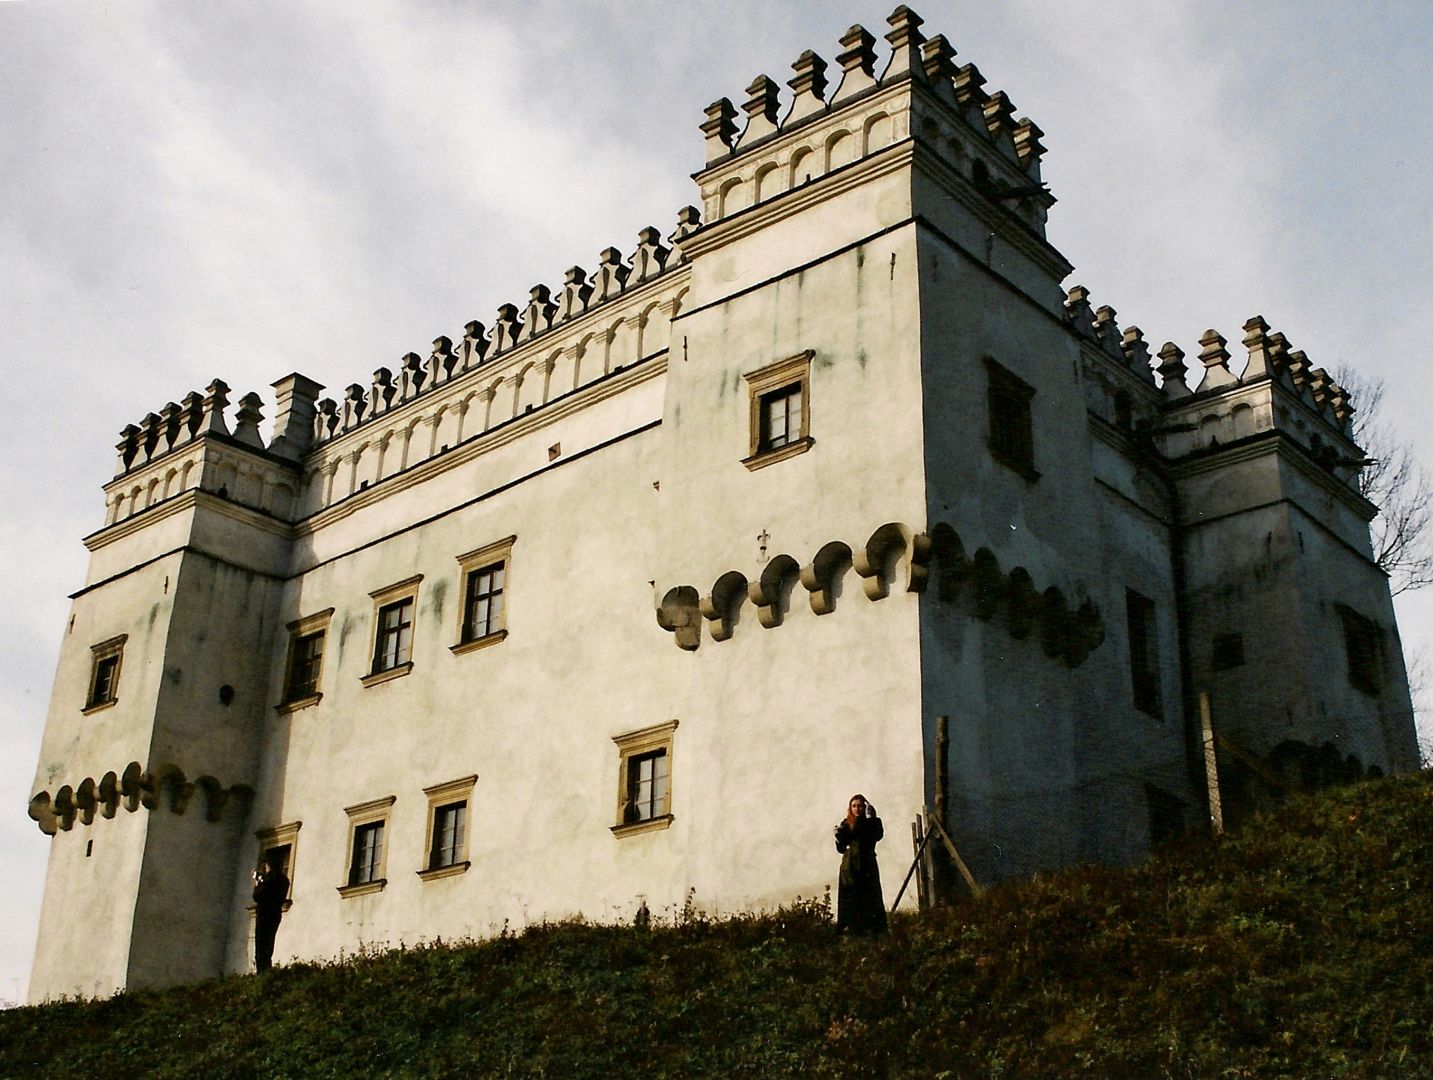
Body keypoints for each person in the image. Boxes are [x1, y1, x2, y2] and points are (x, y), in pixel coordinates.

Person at [833, 793, 887, 934]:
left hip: (866, 864)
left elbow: (876, 835)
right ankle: (851, 930)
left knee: (869, 896)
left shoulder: (872, 823)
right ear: (850, 808)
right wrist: (838, 837)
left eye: (860, 806)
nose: (857, 809)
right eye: (854, 806)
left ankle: (872, 930)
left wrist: (871, 818)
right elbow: (841, 848)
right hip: (849, 866)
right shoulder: (846, 824)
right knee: (850, 898)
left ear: (865, 807)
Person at [252, 857, 290, 973]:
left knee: (261, 949)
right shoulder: (284, 880)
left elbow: (257, 896)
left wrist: (257, 883)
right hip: (275, 914)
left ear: (268, 865)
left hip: (264, 914)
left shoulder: (269, 879)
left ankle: (262, 974)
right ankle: (267, 973)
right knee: (268, 947)